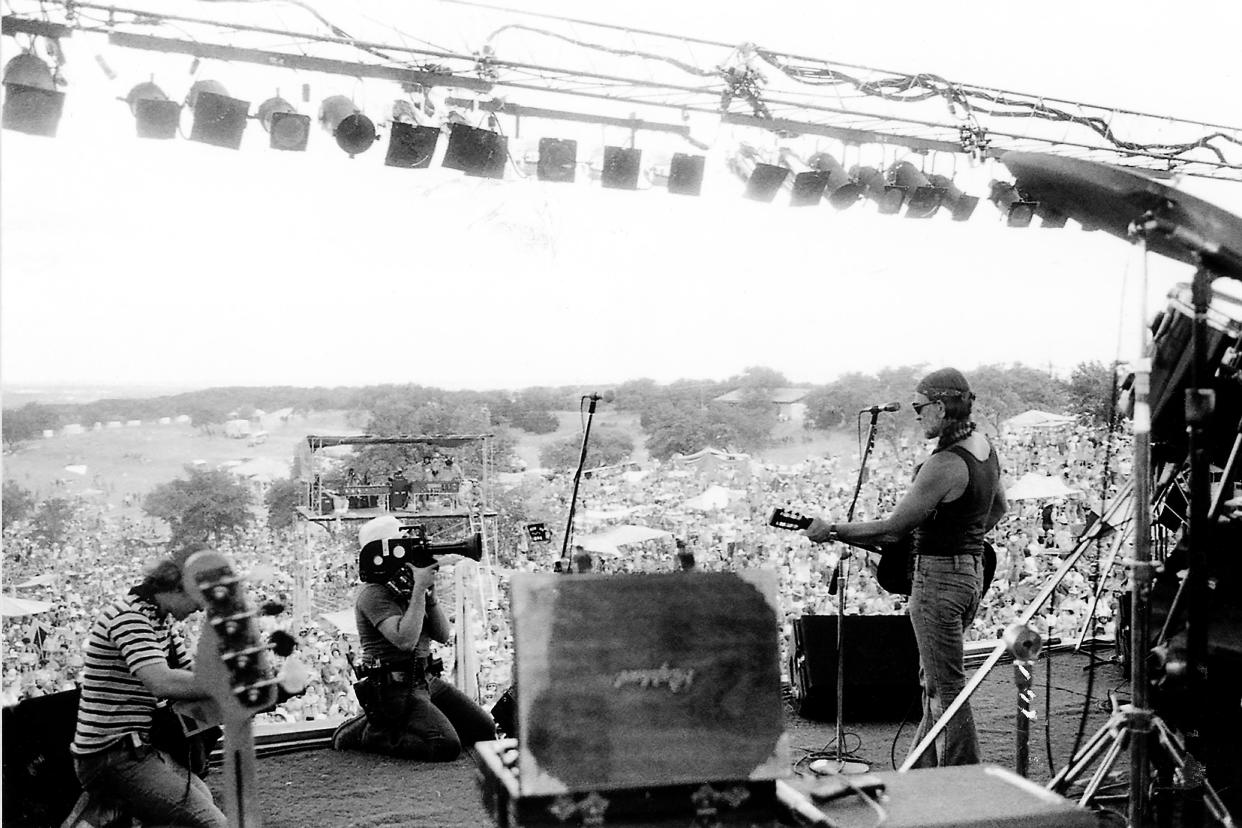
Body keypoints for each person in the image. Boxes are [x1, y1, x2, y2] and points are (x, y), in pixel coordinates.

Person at [804, 368, 1007, 767]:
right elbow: (999, 507)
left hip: (939, 584)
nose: (916, 416)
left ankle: (964, 779)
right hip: (970, 575)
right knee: (932, 680)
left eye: (919, 407)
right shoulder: (985, 447)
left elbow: (893, 530)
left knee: (945, 690)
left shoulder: (945, 464)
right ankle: (921, 768)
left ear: (940, 406)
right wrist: (962, 540)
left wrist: (832, 531)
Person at [70, 545, 226, 828]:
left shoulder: (158, 621)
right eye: (200, 597)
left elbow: (193, 679)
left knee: (202, 800)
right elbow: (162, 682)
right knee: (210, 823)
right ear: (180, 587)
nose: (202, 607)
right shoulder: (130, 617)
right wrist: (225, 687)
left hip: (138, 750)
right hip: (111, 756)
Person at [332, 516, 495, 759]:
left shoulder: (405, 585)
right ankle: (368, 731)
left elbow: (442, 635)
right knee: (443, 745)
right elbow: (404, 641)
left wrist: (429, 596)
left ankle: (387, 722)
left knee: (483, 729)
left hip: (425, 679)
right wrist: (418, 591)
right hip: (393, 687)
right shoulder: (373, 593)